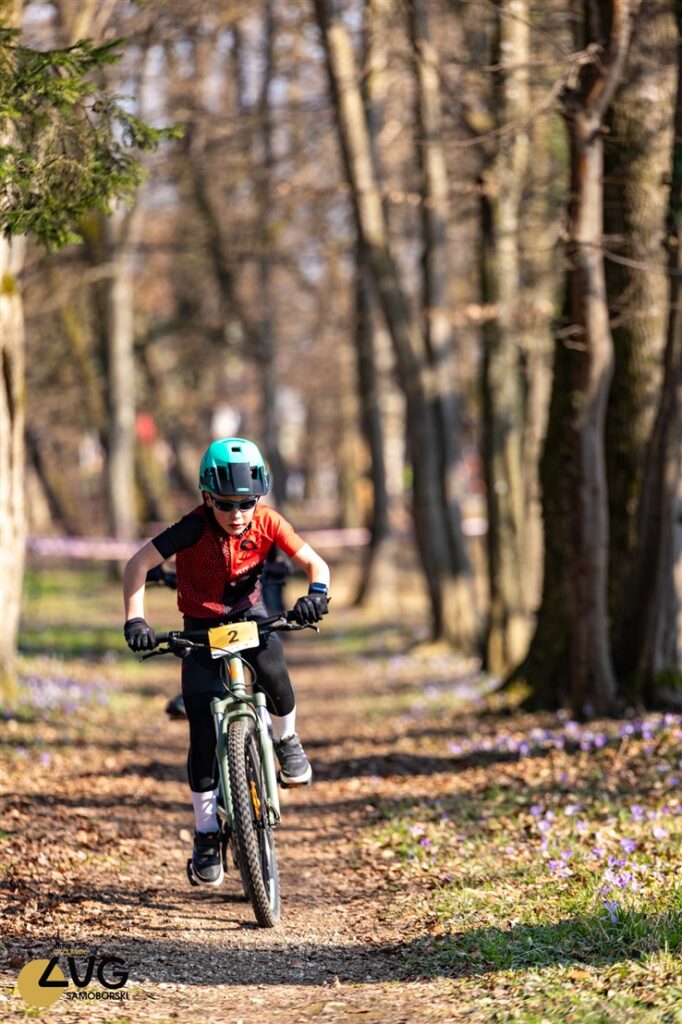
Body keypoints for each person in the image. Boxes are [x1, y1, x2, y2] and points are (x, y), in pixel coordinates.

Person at [122, 437, 330, 887]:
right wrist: (135, 619)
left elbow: (316, 564)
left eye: (247, 503)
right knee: (201, 732)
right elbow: (137, 565)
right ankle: (205, 833)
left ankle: (287, 741)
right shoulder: (192, 528)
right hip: (200, 629)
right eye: (225, 504)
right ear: (206, 498)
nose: (237, 514)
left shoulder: (268, 521)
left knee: (274, 674)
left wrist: (315, 595)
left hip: (250, 618)